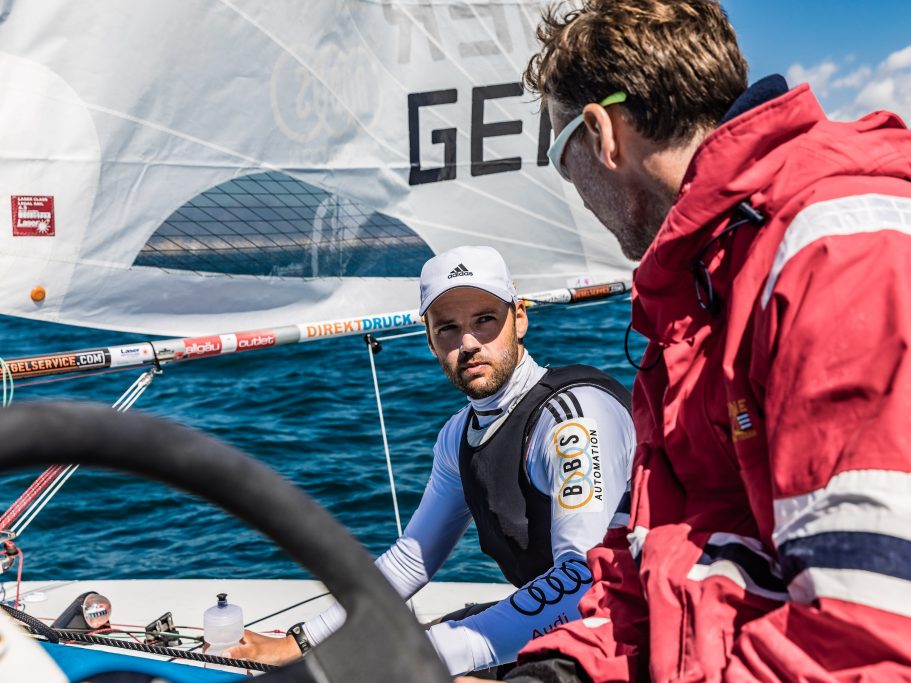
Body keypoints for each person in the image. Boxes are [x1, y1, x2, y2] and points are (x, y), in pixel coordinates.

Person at [489, 1, 911, 681]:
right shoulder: (704, 300)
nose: (579, 195)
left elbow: (899, 646)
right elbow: (669, 555)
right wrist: (569, 667)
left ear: (602, 134)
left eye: (562, 163)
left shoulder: (850, 260)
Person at [225, 245, 636, 676]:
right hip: (565, 630)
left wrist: (421, 654)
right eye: (448, 329)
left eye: (484, 320)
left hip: (627, 635)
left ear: (519, 319)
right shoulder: (458, 436)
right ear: (429, 341)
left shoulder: (573, 419)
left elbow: (583, 582)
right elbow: (410, 560)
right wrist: (303, 641)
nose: (469, 344)